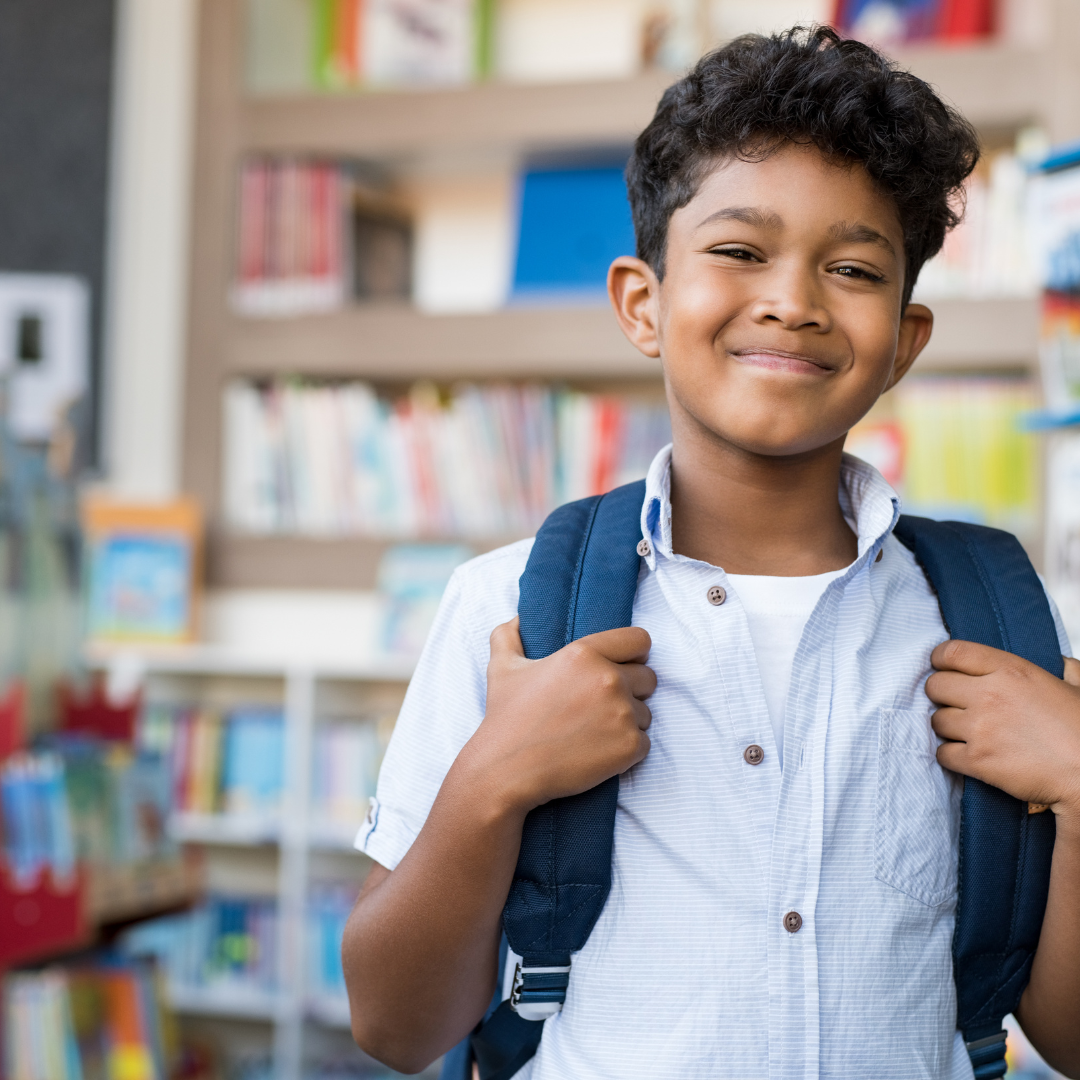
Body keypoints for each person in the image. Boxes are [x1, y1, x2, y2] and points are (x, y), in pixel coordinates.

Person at [341, 27, 1080, 1079]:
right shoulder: (510, 610)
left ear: (906, 341)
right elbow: (394, 1026)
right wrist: (492, 781)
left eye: (855, 267)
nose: (793, 299)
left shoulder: (992, 622)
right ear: (643, 303)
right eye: (739, 251)